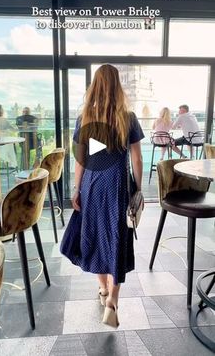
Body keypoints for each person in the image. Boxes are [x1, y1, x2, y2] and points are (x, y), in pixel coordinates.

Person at [60, 64, 144, 328]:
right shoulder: (127, 117)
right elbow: (137, 157)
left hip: (93, 185)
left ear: (94, 86)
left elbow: (81, 160)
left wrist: (76, 189)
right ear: (117, 86)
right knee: (117, 237)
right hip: (118, 185)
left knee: (94, 236)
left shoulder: (84, 118)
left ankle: (103, 290)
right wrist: (138, 190)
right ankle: (113, 299)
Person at [0, 104, 17, 168]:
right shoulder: (3, 120)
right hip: (4, 142)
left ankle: (0, 163)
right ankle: (12, 164)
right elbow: (13, 130)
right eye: (2, 109)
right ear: (0, 110)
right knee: (11, 147)